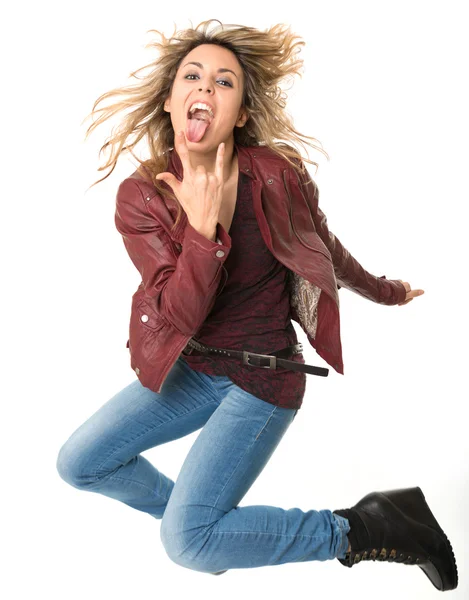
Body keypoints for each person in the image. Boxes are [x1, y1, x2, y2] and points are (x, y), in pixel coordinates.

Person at [56, 20, 457, 591]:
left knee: (186, 544)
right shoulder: (141, 195)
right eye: (192, 76)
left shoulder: (274, 174)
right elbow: (182, 314)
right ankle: (207, 530)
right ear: (171, 100)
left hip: (263, 381)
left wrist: (385, 290)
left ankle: (361, 528)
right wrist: (200, 229)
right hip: (191, 367)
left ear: (240, 113)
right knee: (81, 463)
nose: (206, 87)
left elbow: (326, 251)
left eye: (225, 82)